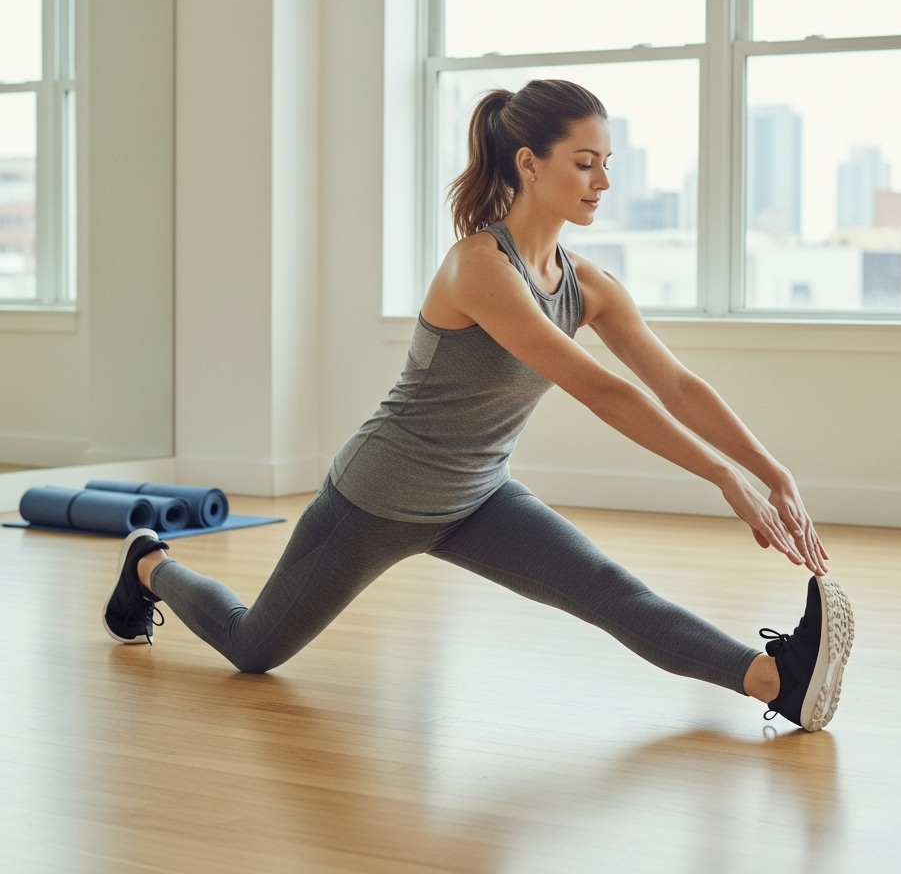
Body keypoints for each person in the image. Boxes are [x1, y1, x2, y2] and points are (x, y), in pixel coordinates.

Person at [102, 79, 853, 732]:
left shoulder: (587, 284)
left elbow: (678, 385)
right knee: (253, 649)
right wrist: (723, 477)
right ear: (529, 164)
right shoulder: (478, 268)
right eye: (584, 164)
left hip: (477, 497)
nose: (602, 182)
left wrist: (769, 468)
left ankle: (776, 683)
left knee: (610, 592)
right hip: (375, 499)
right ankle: (150, 564)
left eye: (607, 165)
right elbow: (600, 388)